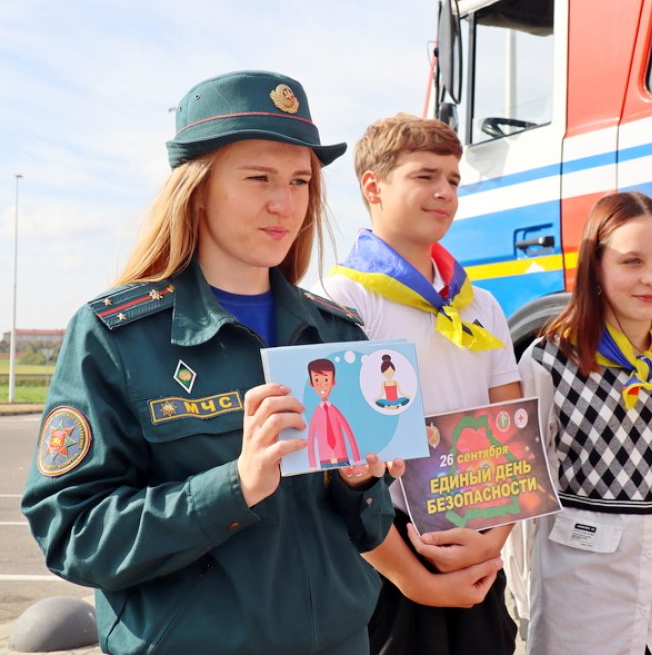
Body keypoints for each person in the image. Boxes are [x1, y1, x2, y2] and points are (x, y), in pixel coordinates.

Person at [21, 71, 402, 655]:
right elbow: (73, 533)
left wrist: (360, 485)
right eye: (259, 178)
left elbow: (366, 530)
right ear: (197, 188)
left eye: (300, 181)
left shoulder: (337, 335)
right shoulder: (116, 337)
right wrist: (234, 487)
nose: (285, 203)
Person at [318, 113, 522, 655]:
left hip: (478, 545)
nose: (445, 192)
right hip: (387, 561)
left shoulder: (481, 303)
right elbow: (337, 469)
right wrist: (414, 579)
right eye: (425, 176)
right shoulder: (342, 299)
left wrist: (490, 546)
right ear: (373, 187)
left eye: (453, 179)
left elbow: (512, 438)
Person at [517, 191, 652, 655]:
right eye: (632, 261)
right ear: (595, 267)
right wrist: (526, 590)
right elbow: (529, 492)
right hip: (581, 592)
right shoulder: (549, 361)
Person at [306, 358, 361, 469]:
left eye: (326, 380)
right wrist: (312, 464)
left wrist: (357, 459)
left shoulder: (335, 410)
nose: (322, 385)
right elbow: (310, 438)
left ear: (333, 382)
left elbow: (348, 432)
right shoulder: (316, 413)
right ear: (311, 383)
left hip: (342, 458)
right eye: (317, 380)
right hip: (324, 460)